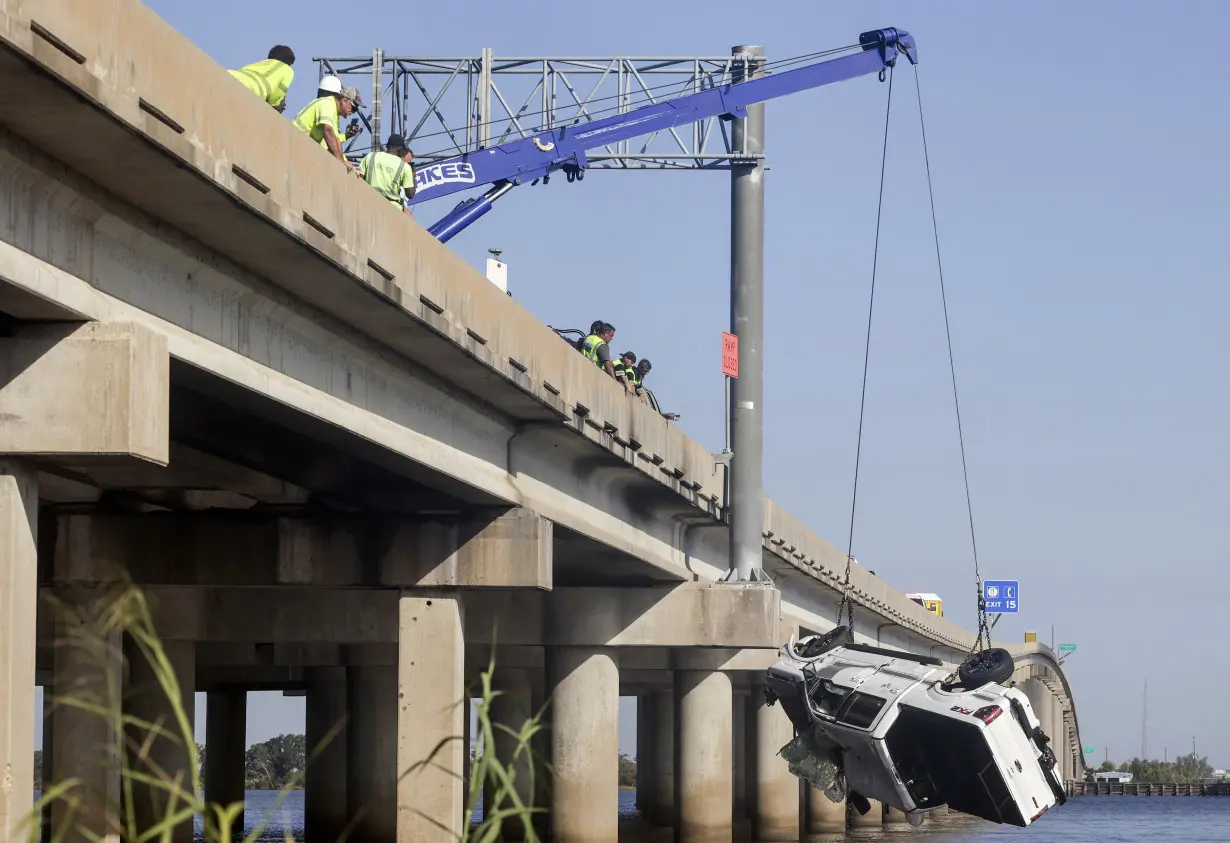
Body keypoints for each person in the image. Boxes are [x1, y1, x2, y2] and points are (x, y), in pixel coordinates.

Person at [293, 82, 364, 165]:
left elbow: (336, 140)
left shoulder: (334, 112)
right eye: (353, 108)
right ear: (344, 100)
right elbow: (328, 132)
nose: (353, 112)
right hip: (294, 140)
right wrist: (341, 162)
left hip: (301, 143)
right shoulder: (327, 104)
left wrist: (343, 161)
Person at [358, 133, 417, 212]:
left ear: (388, 146)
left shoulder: (371, 156)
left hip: (368, 203)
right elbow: (410, 194)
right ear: (400, 150)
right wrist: (413, 177)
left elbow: (359, 179)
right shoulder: (405, 167)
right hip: (391, 208)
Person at [228, 46, 296, 113]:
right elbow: (278, 94)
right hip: (250, 90)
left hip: (230, 74)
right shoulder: (288, 70)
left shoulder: (263, 62)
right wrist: (276, 106)